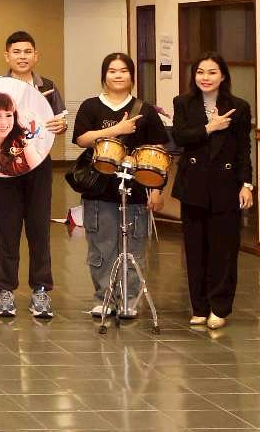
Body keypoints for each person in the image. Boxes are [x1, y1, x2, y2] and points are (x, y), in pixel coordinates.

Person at [71, 52, 169, 319]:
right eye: (112, 71)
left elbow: (158, 150)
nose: (118, 75)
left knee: (134, 247)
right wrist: (116, 130)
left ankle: (128, 299)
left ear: (132, 76)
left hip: (136, 189)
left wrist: (156, 190)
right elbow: (81, 139)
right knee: (101, 246)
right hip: (99, 188)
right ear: (104, 75)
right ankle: (103, 298)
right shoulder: (91, 106)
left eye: (123, 71)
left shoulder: (145, 110)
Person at [172, 52, 253, 330]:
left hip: (226, 185)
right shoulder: (183, 103)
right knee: (195, 250)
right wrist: (209, 127)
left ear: (223, 76)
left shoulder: (239, 107)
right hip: (193, 185)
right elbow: (180, 137)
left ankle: (219, 307)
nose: (205, 78)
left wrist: (246, 184)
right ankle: (199, 307)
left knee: (224, 250)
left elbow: (244, 148)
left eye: (212, 72)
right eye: (200, 72)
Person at [0, 30, 67, 319]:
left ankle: (41, 291)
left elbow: (59, 122)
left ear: (36, 56)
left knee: (39, 230)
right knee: (7, 230)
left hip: (39, 164)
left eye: (27, 52)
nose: (22, 57)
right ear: (7, 56)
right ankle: (5, 291)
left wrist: (60, 127)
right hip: (5, 166)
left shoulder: (48, 87)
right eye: (16, 52)